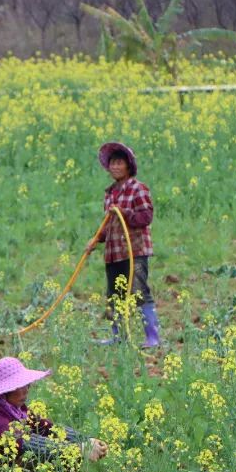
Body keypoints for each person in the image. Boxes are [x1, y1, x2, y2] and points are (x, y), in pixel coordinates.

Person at [86, 141, 160, 347]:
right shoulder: (109, 193)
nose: (115, 167)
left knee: (138, 292)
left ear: (128, 166)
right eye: (112, 163)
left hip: (134, 251)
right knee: (115, 296)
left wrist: (124, 212)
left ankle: (152, 337)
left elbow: (145, 217)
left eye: (120, 163)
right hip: (113, 253)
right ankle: (118, 337)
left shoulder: (138, 189)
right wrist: (96, 240)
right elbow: (109, 224)